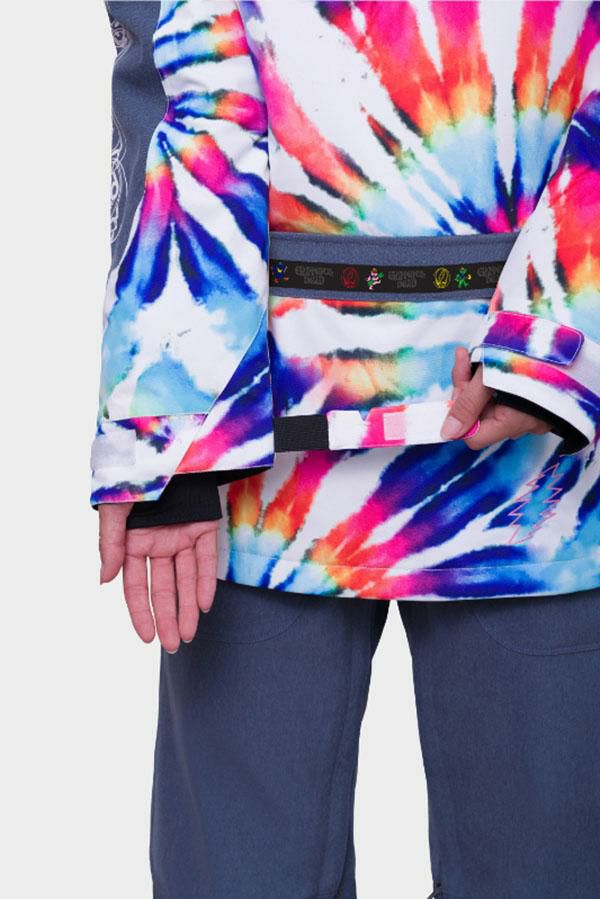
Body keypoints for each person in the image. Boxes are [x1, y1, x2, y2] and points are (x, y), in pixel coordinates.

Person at [93, 2, 600, 897]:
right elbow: (173, 49)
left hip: (540, 445)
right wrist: (174, 415)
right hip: (255, 438)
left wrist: (563, 330)